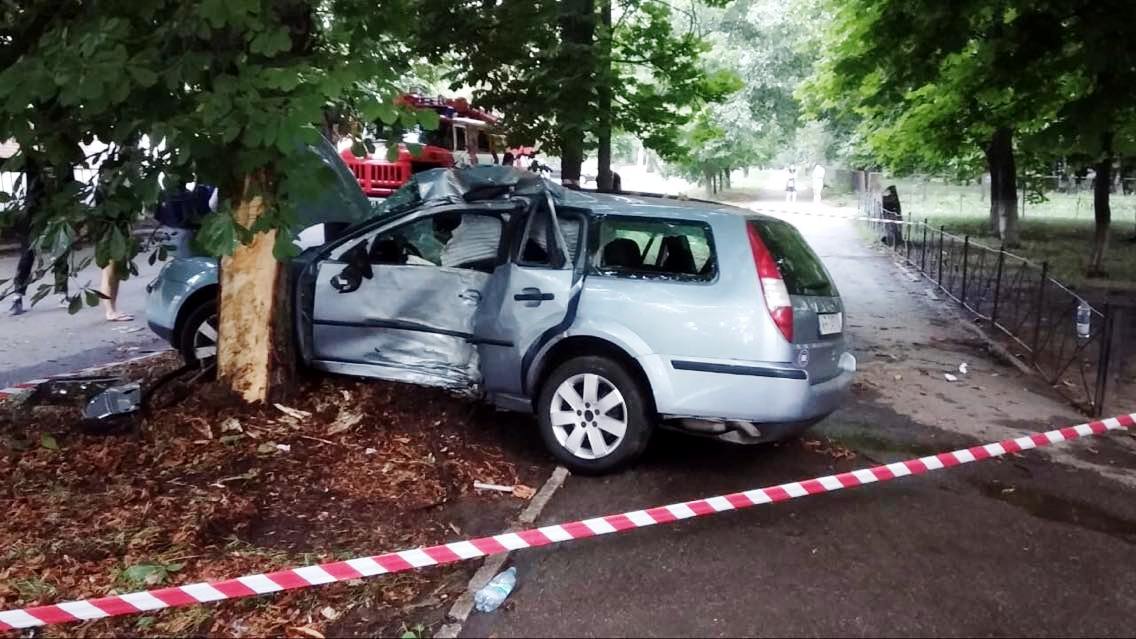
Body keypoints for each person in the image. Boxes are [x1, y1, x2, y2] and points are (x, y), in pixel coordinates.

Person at [7, 155, 43, 316]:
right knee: (27, 255)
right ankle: (17, 297)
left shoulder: (64, 158)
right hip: (32, 212)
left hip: (57, 211)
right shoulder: (31, 158)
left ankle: (63, 293)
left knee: (61, 252)